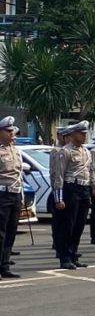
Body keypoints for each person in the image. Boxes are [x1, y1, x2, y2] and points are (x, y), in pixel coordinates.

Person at [51, 121, 94, 270]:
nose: (84, 136)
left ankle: (73, 254)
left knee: (79, 225)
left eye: (85, 133)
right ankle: (65, 257)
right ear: (73, 134)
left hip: (84, 188)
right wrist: (59, 197)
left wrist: (92, 188)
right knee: (67, 225)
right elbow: (59, 175)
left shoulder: (86, 152)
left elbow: (90, 172)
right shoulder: (65, 151)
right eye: (81, 133)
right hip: (71, 188)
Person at [0, 117, 21, 279]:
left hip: (15, 194)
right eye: (8, 131)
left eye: (12, 130)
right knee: (0, 232)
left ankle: (5, 266)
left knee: (11, 232)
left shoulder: (15, 150)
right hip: (2, 194)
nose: (12, 133)